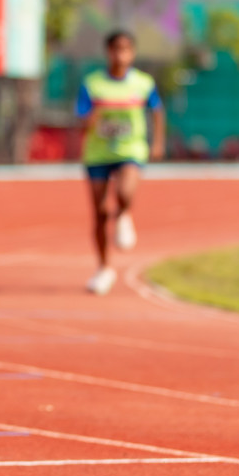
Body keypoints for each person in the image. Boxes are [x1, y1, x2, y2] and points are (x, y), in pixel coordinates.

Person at [78, 29, 165, 295]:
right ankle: (104, 268)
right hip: (98, 153)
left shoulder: (143, 84)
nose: (120, 54)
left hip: (130, 149)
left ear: (133, 53)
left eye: (126, 49)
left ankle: (124, 213)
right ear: (108, 52)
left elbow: (158, 111)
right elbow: (81, 120)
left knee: (125, 192)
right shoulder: (92, 84)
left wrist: (158, 141)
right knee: (100, 213)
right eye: (116, 49)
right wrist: (93, 116)